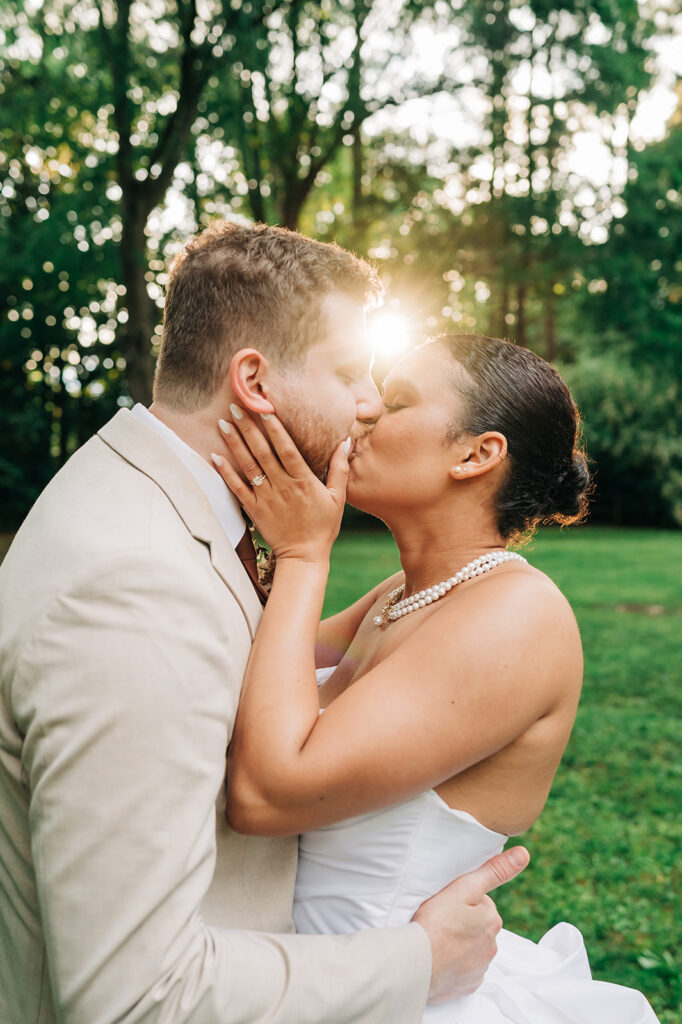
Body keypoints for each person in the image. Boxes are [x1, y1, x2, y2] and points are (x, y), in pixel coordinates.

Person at [0, 223, 528, 1024]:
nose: (368, 404)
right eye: (349, 373)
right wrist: (421, 962)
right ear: (253, 379)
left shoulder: (136, 494)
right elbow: (134, 998)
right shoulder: (134, 589)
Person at [211, 332, 661, 1023]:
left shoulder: (518, 616)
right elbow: (255, 669)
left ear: (476, 455)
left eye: (397, 401)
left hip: (396, 995)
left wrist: (303, 555)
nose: (365, 410)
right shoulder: (401, 595)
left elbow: (265, 796)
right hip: (307, 975)